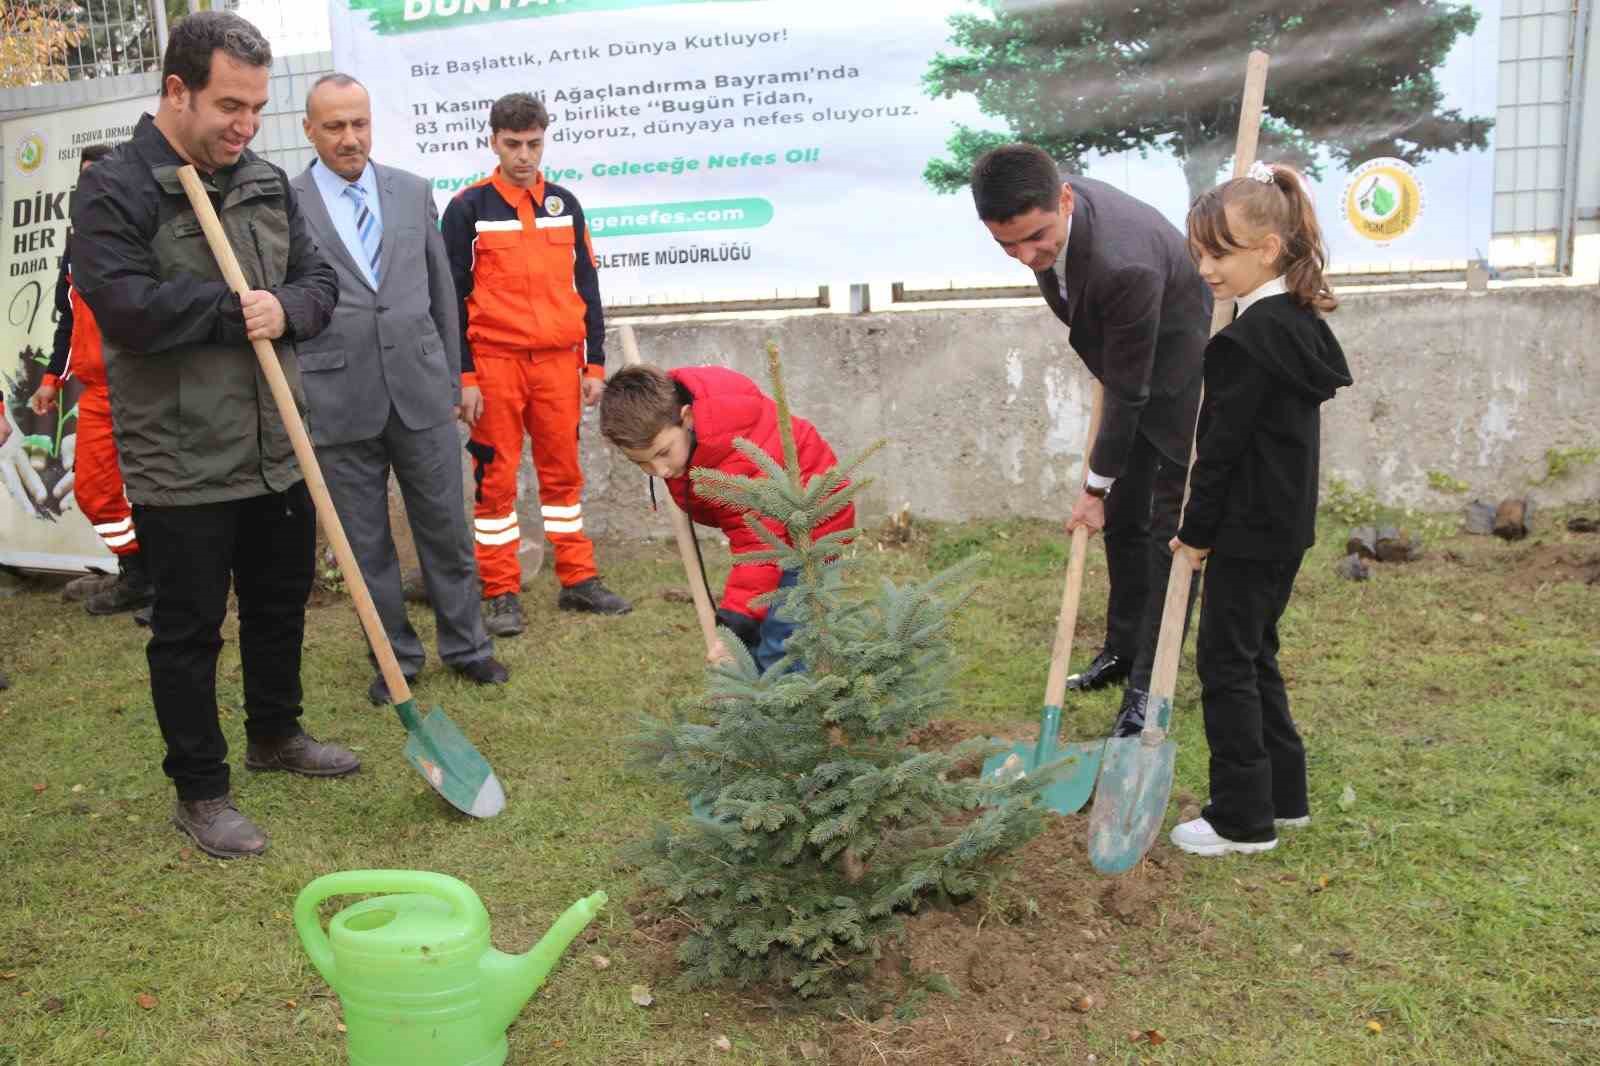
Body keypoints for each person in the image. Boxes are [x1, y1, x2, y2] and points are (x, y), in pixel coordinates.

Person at [71, 11, 359, 859]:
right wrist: (235, 312)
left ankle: (277, 733)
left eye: (257, 105)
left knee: (279, 605)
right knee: (189, 630)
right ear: (175, 90)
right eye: (229, 104)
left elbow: (319, 284)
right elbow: (123, 306)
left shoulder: (265, 181)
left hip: (279, 444)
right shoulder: (116, 187)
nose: (244, 123)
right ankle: (200, 789)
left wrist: (288, 307)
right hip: (184, 454)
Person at [970, 144, 1212, 736]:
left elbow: (1132, 390)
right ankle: (1123, 650)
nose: (1027, 256)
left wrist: (1092, 490)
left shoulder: (1123, 262)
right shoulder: (1042, 202)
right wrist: (1108, 492)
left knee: (1163, 529)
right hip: (1125, 359)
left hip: (1177, 372)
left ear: (1066, 200)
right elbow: (1116, 372)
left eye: (1037, 238)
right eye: (1009, 245)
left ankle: (1147, 687)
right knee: (1124, 522)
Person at [290, 73, 508, 705]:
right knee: (365, 546)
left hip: (421, 390)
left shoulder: (411, 191)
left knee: (445, 526)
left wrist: (456, 375)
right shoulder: (287, 199)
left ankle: (468, 646)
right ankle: (394, 659)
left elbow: (443, 290)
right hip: (336, 398)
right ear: (309, 130)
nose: (349, 138)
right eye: (334, 126)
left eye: (358, 123)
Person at [1166, 162, 1352, 857]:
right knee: (1256, 651)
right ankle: (1285, 794)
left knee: (1226, 662)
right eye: (1200, 254)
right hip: (1286, 525)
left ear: (1268, 250)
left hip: (1245, 529)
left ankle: (1243, 818)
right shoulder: (1297, 325)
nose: (1206, 268)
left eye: (1219, 254)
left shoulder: (1244, 345)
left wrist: (1193, 533)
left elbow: (1218, 454)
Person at [441, 91, 630, 638]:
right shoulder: (468, 209)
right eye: (513, 145)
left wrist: (595, 365)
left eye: (534, 144)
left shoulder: (565, 204)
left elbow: (588, 286)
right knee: (494, 481)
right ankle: (500, 590)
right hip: (494, 364)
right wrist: (465, 376)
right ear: (493, 141)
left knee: (562, 474)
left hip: (557, 365)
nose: (524, 156)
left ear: (544, 139)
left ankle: (578, 579)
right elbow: (449, 299)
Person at [599, 363, 854, 670]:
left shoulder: (736, 461)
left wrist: (735, 626)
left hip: (813, 526)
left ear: (687, 418)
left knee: (786, 638)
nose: (660, 471)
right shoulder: (671, 417)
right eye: (643, 464)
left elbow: (759, 551)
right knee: (766, 627)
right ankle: (752, 698)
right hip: (768, 531)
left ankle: (786, 710)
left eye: (664, 453)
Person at [29, 144, 153, 617]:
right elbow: (69, 320)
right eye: (84, 176)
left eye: (100, 174)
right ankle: (138, 574)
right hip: (97, 393)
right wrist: (51, 379)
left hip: (145, 388)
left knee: (153, 489)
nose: (92, 183)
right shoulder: (75, 246)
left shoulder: (142, 232)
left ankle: (166, 582)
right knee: (94, 493)